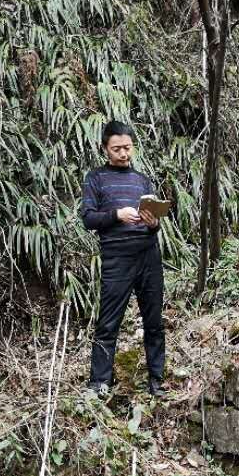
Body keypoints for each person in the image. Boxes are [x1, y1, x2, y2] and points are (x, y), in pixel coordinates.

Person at [80, 119, 170, 399]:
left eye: (128, 148)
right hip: (116, 258)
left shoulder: (142, 180)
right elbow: (87, 218)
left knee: (154, 321)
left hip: (148, 255)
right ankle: (99, 384)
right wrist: (116, 215)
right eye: (117, 148)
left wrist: (153, 221)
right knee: (109, 322)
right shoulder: (96, 178)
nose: (123, 154)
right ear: (105, 148)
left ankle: (157, 381)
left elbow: (155, 225)